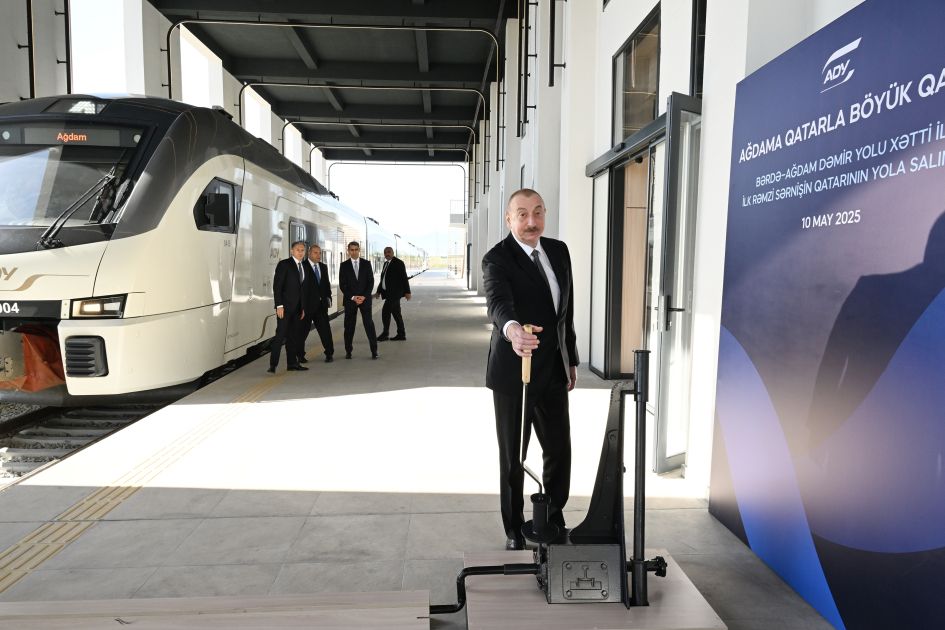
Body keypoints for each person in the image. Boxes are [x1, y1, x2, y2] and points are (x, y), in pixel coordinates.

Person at [482, 188, 579, 550]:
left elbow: (564, 314)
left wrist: (570, 358)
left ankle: (551, 517)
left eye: (537, 212)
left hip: (553, 370)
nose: (531, 221)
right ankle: (513, 529)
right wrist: (513, 331)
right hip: (515, 374)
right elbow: (498, 304)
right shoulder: (497, 259)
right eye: (522, 214)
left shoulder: (559, 251)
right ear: (509, 219)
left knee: (559, 451)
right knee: (514, 457)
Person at [268, 240, 310, 373]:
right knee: (280, 336)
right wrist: (279, 305)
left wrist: (303, 308)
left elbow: (303, 290)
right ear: (292, 251)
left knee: (293, 337)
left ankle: (292, 363)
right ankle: (273, 365)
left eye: (302, 250)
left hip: (297, 309)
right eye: (298, 250)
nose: (300, 252)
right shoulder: (284, 264)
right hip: (284, 308)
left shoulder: (304, 266)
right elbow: (277, 286)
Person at [339, 241, 378, 359]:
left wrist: (364, 296)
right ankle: (348, 351)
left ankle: (374, 351)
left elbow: (370, 282)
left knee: (369, 325)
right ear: (348, 251)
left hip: (365, 300)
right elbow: (343, 285)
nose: (354, 252)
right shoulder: (344, 265)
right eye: (352, 250)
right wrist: (353, 297)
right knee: (349, 327)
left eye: (356, 249)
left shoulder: (366, 264)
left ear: (359, 250)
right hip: (350, 300)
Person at [299, 244, 335, 364]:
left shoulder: (323, 267)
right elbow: (300, 287)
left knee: (325, 331)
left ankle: (329, 353)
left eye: (320, 253)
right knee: (302, 332)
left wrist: (328, 297)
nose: (318, 255)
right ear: (309, 253)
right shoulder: (302, 266)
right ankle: (300, 355)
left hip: (321, 306)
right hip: (307, 307)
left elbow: (326, 284)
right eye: (315, 253)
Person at [375, 246, 412, 341]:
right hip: (388, 293)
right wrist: (378, 291)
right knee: (396, 314)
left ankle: (385, 334)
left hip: (395, 293)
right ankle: (401, 334)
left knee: (385, 312)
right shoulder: (386, 264)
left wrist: (407, 292)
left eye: (389, 252)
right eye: (385, 252)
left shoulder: (398, 263)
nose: (387, 254)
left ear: (393, 253)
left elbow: (404, 278)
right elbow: (383, 279)